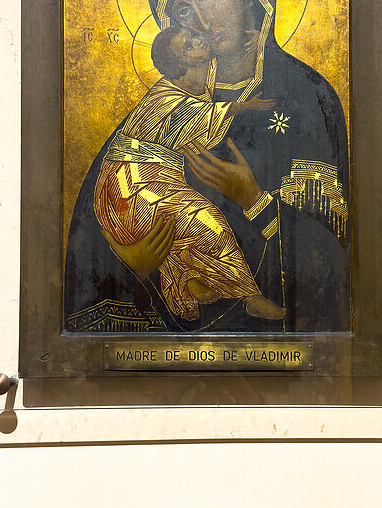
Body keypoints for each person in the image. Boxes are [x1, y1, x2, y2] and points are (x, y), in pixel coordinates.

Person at [64, 0, 350, 335]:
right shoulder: (160, 110)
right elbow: (92, 237)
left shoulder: (305, 98)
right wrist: (133, 259)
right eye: (183, 9)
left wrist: (253, 198)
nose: (198, 18)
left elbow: (333, 246)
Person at [93, 26, 286, 321]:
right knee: (207, 223)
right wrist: (245, 107)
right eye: (188, 45)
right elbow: (193, 115)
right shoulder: (165, 96)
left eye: (195, 37)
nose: (199, 41)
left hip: (153, 178)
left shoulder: (198, 81)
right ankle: (250, 296)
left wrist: (255, 43)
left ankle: (187, 283)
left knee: (182, 238)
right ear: (178, 62)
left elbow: (205, 91)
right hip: (131, 183)